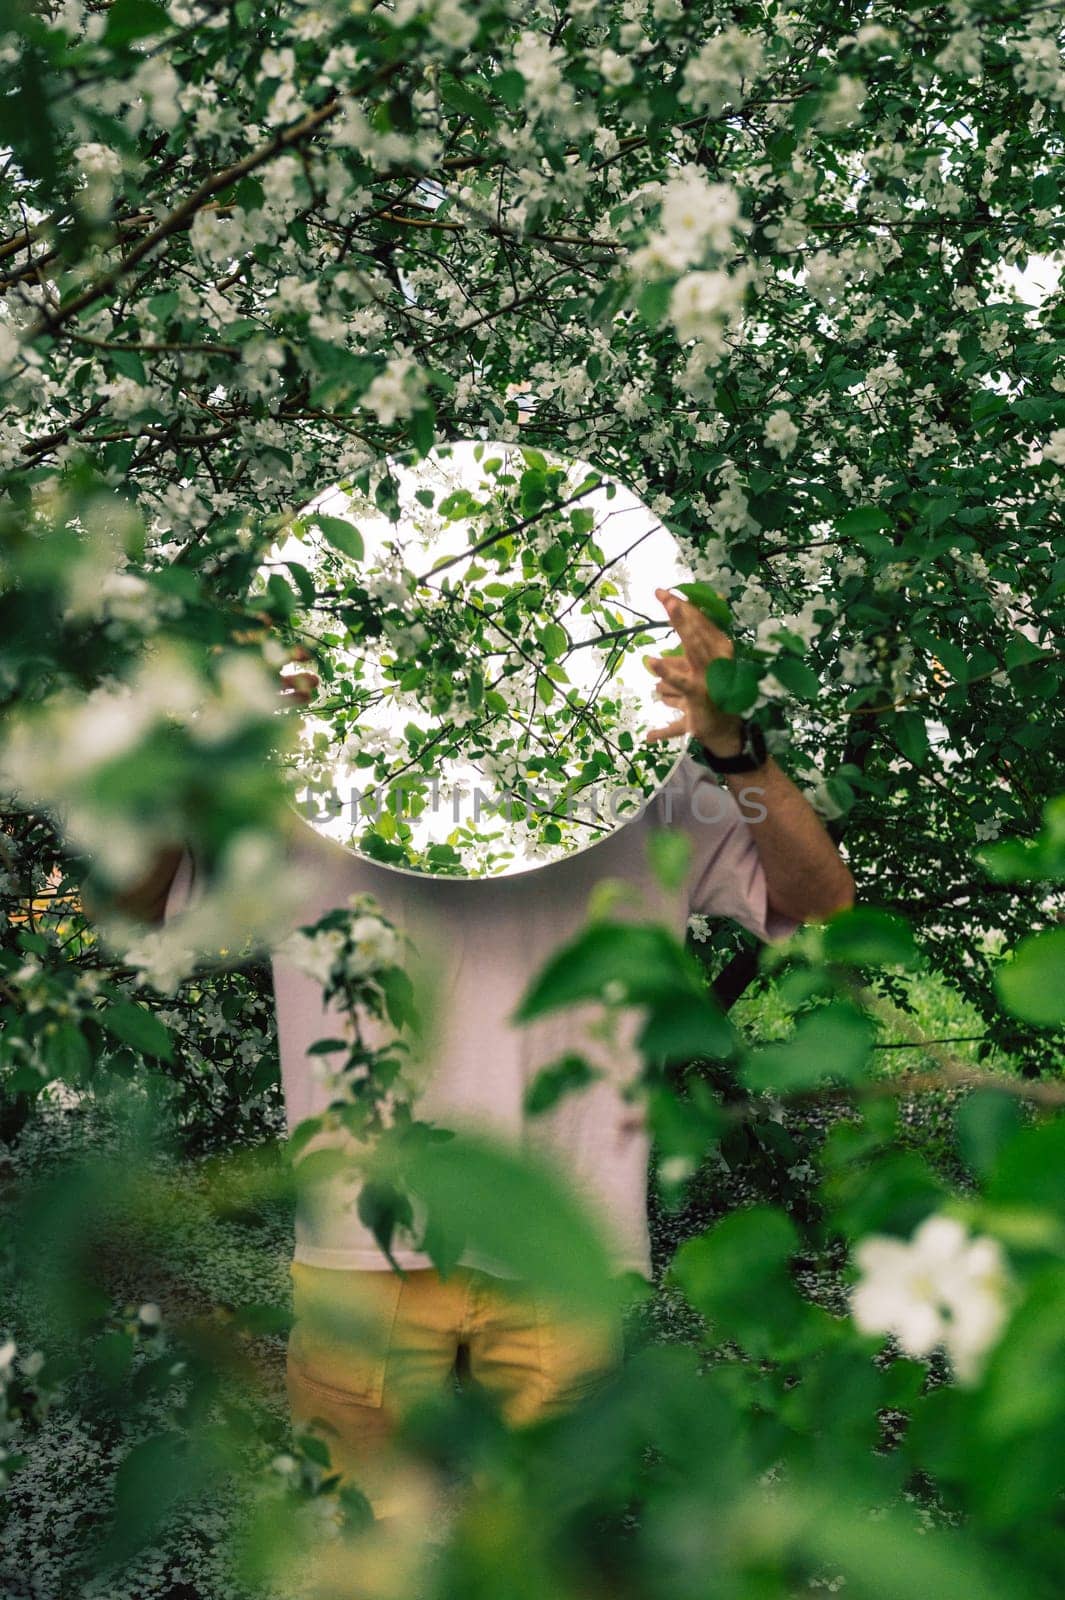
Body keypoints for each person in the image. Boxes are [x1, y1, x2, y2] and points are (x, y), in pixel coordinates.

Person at [103, 586, 854, 1547]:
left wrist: (733, 745)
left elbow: (824, 902)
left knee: (547, 1552)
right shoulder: (300, 777)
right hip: (361, 1241)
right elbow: (138, 908)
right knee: (359, 1554)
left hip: (566, 1241)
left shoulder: (647, 783)